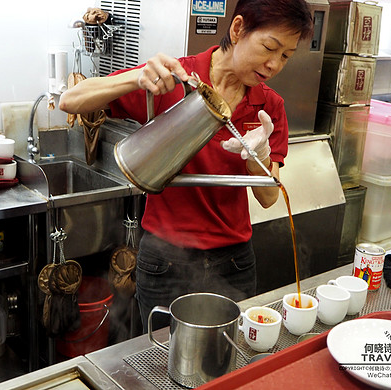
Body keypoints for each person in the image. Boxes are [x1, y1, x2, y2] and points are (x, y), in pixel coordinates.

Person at [60, 0, 313, 332]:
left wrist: (260, 156)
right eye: (270, 47)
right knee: (165, 358)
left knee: (226, 356)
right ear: (238, 30)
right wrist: (138, 77)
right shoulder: (178, 78)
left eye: (285, 56)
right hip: (165, 260)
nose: (274, 64)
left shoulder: (269, 107)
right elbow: (71, 100)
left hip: (234, 261)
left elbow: (268, 198)